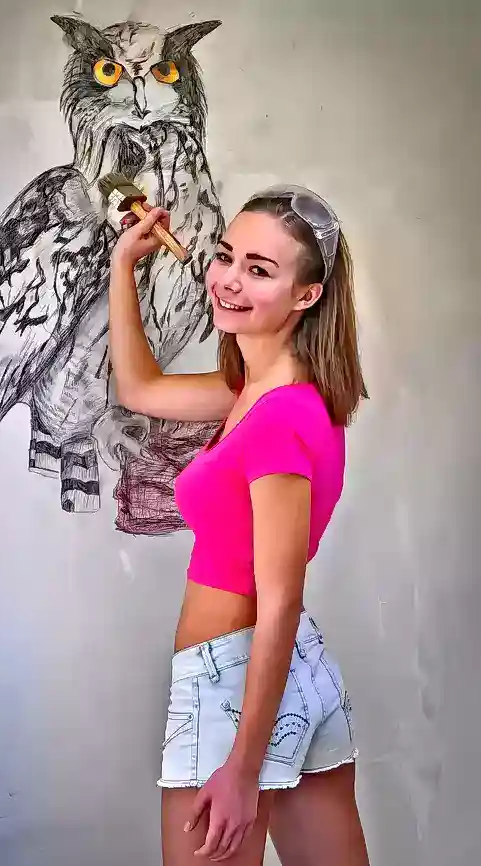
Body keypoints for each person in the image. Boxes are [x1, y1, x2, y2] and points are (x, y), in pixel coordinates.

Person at [108, 184, 370, 866]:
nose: (227, 279)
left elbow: (278, 598)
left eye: (259, 270)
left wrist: (243, 769)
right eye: (226, 256)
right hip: (293, 670)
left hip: (234, 682)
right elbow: (138, 389)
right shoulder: (256, 394)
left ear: (306, 295)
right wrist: (123, 266)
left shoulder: (276, 417)